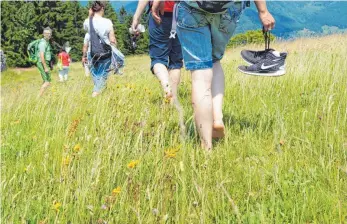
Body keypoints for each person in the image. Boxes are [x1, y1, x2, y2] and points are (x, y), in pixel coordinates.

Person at [152, 0, 275, 150]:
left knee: (200, 73)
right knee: (214, 60)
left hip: (192, 8)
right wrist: (263, 11)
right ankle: (217, 118)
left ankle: (206, 146)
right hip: (228, 9)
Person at [132, 0, 183, 102]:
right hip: (180, 15)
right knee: (176, 62)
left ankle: (167, 89)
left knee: (158, 59)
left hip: (159, 15)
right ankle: (172, 98)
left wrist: (136, 17)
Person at [82, 1, 117, 97]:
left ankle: (99, 95)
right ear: (102, 8)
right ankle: (95, 94)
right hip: (105, 52)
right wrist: (116, 52)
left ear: (92, 10)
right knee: (103, 76)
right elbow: (112, 39)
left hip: (92, 53)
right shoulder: (107, 22)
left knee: (96, 76)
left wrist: (90, 16)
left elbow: (88, 33)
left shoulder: (87, 22)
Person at [37, 27, 53, 97]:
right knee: (47, 82)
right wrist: (45, 67)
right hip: (42, 63)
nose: (48, 35)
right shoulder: (42, 43)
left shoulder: (47, 42)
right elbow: (41, 56)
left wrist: (50, 65)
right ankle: (38, 98)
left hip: (45, 63)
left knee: (47, 81)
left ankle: (42, 95)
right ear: (43, 34)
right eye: (46, 33)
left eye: (49, 33)